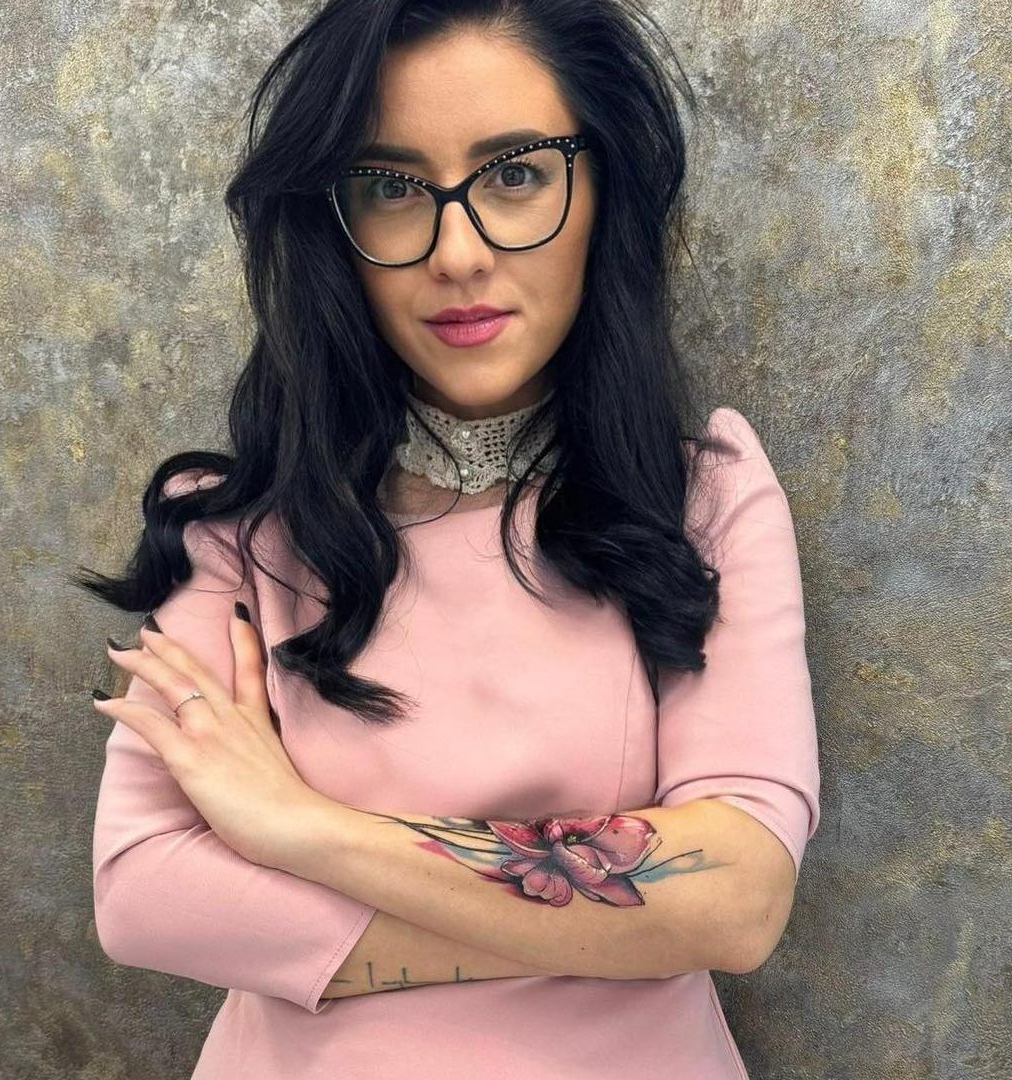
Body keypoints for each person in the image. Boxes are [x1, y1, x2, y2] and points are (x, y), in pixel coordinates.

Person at [76, 1, 821, 1076]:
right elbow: (145, 892)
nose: (458, 253)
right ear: (333, 223)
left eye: (515, 173)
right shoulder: (237, 528)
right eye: (391, 189)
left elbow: (738, 898)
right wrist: (608, 927)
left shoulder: (704, 499)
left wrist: (300, 829)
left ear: (602, 189)